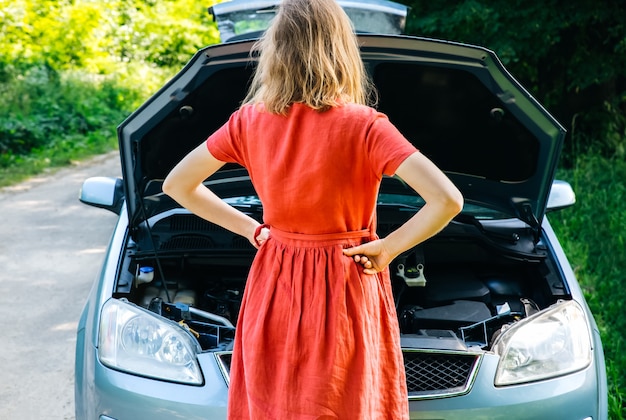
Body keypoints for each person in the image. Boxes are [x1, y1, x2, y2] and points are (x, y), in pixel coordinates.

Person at [162, 0, 463, 418]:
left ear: (276, 53)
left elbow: (177, 184)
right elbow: (448, 199)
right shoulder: (365, 125)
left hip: (274, 281)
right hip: (346, 281)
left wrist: (251, 228)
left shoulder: (248, 122)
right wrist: (390, 248)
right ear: (340, 50)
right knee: (344, 401)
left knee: (276, 401)